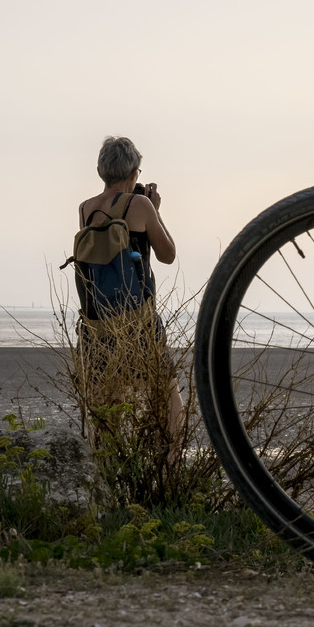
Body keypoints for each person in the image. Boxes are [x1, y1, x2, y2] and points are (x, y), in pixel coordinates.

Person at [76, 136, 182, 458]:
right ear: (135, 173)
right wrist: (156, 212)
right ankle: (171, 463)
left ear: (99, 170)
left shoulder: (85, 209)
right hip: (138, 324)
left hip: (97, 328)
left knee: (105, 409)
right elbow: (168, 254)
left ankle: (106, 474)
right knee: (169, 397)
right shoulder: (141, 205)